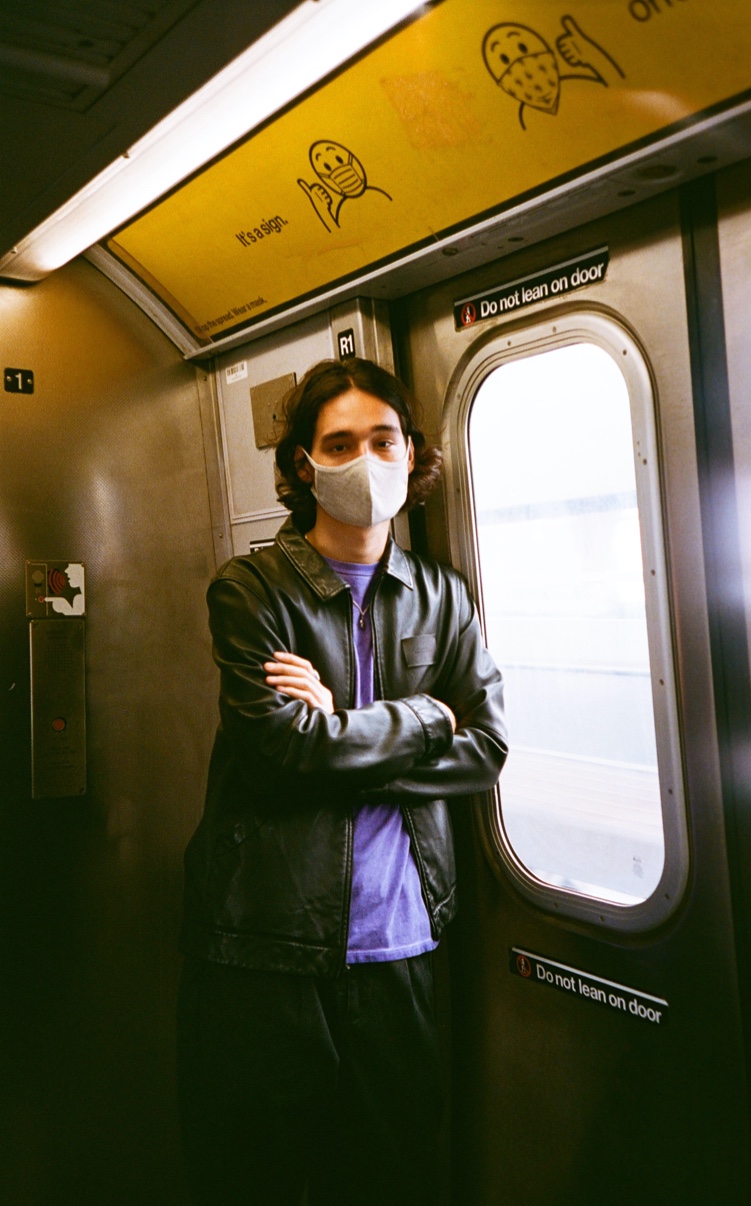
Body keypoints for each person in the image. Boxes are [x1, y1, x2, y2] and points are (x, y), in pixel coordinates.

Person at [177, 357, 507, 1205]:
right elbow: (280, 756)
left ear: (411, 455)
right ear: (301, 465)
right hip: (271, 947)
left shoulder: (444, 596)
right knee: (272, 1175)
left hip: (403, 945)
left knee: (395, 1172)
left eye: (383, 440)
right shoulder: (250, 591)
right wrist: (428, 718)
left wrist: (340, 732)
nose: (366, 461)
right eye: (339, 443)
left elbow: (489, 750)